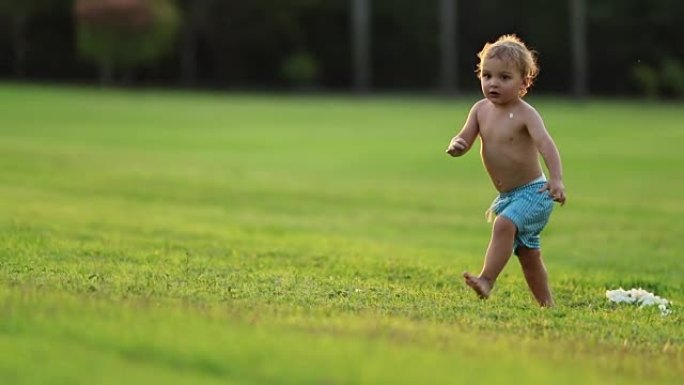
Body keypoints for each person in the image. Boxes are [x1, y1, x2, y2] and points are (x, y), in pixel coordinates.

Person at [445, 34, 566, 307]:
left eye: (504, 77)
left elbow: (547, 145)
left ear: (524, 82)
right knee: (528, 254)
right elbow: (464, 138)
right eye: (487, 75)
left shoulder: (526, 114)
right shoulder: (479, 110)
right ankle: (547, 305)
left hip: (535, 192)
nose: (493, 83)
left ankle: (486, 280)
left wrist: (556, 179)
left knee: (504, 224)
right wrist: (457, 144)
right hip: (509, 196)